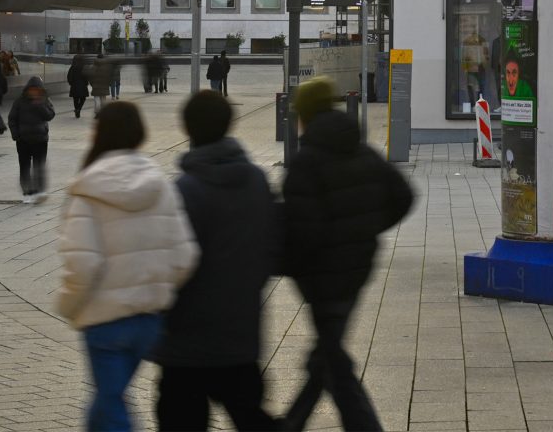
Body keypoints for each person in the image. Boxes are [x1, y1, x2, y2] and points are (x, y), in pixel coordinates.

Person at [280, 76, 414, 432]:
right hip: (356, 270)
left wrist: (289, 265)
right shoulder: (361, 149)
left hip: (323, 279)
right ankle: (293, 422)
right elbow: (403, 196)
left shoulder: (306, 162)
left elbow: (301, 234)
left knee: (332, 361)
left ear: (304, 115)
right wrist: (365, 230)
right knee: (327, 356)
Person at [58, 103, 198, 432]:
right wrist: (156, 289)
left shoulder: (87, 188)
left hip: (104, 320)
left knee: (111, 405)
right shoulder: (159, 184)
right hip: (149, 321)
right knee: (108, 400)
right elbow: (185, 255)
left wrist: (69, 306)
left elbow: (82, 263)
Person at [154, 90, 280, 430]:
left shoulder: (185, 190)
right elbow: (272, 248)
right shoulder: (256, 180)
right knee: (250, 417)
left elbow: (170, 265)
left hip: (187, 343)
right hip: (241, 334)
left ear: (187, 128)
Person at [8, 76, 57, 202]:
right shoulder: (19, 101)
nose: (34, 92)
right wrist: (16, 135)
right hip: (23, 140)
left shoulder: (44, 100)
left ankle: (39, 191)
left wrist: (40, 104)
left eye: (37, 89)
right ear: (27, 89)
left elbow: (50, 115)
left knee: (39, 166)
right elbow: (12, 119)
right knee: (24, 167)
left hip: (40, 140)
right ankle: (27, 193)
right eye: (32, 89)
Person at [69, 54, 93, 120]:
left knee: (75, 99)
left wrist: (71, 83)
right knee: (83, 98)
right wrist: (86, 83)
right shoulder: (83, 66)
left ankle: (77, 109)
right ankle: (79, 109)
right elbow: (86, 76)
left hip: (74, 85)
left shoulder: (72, 67)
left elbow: (69, 76)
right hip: (82, 85)